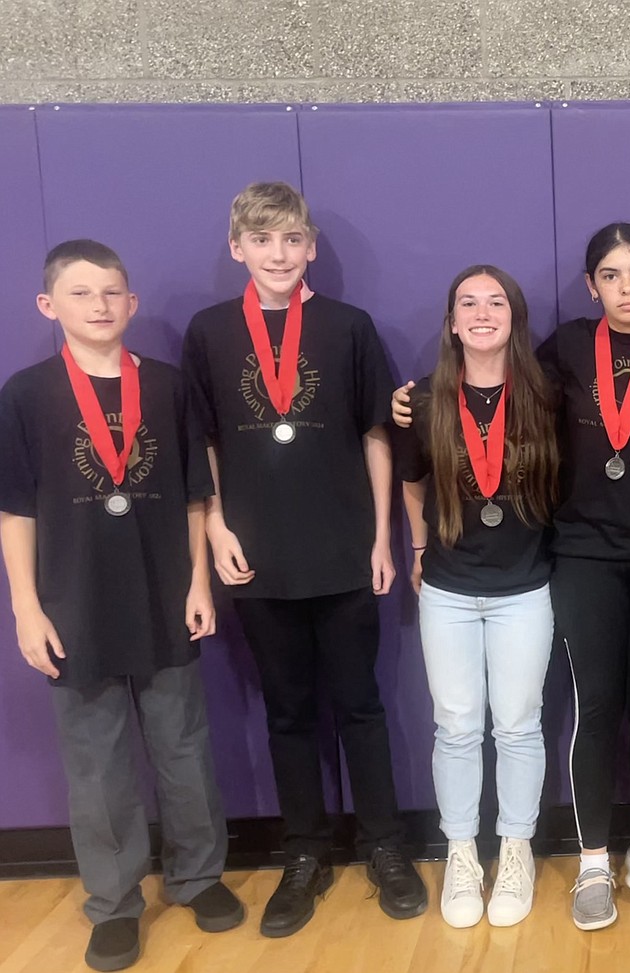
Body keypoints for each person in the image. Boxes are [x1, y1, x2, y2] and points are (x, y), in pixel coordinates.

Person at [394, 224, 630, 930]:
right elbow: (440, 444)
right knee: (570, 708)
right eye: (610, 275)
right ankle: (581, 860)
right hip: (578, 553)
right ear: (591, 285)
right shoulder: (561, 353)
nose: (626, 287)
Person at [181, 182, 426, 938]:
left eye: (291, 240)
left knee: (360, 705)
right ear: (237, 249)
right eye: (262, 241)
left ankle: (384, 844)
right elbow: (207, 441)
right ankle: (304, 851)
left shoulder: (349, 327)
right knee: (286, 712)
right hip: (259, 558)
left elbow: (376, 433)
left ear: (310, 246)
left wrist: (381, 535)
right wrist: (218, 526)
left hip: (344, 546)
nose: (278, 254)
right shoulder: (210, 331)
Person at [0, 240, 243, 973]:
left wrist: (199, 582)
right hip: (74, 600)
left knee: (183, 745)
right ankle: (114, 902)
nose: (99, 306)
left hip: (162, 586)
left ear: (131, 303)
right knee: (95, 759)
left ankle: (198, 874)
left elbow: (198, 497)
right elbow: (15, 511)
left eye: (112, 292)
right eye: (81, 293)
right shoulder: (27, 393)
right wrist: (26, 608)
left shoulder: (166, 386)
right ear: (50, 306)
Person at [394, 266, 559, 928]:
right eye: (469, 301)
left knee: (518, 723)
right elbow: (411, 482)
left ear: (514, 318)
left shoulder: (545, 397)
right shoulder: (425, 399)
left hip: (525, 587)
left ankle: (515, 848)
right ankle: (463, 851)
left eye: (497, 301)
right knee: (456, 725)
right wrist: (415, 547)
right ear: (452, 321)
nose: (483, 311)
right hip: (450, 589)